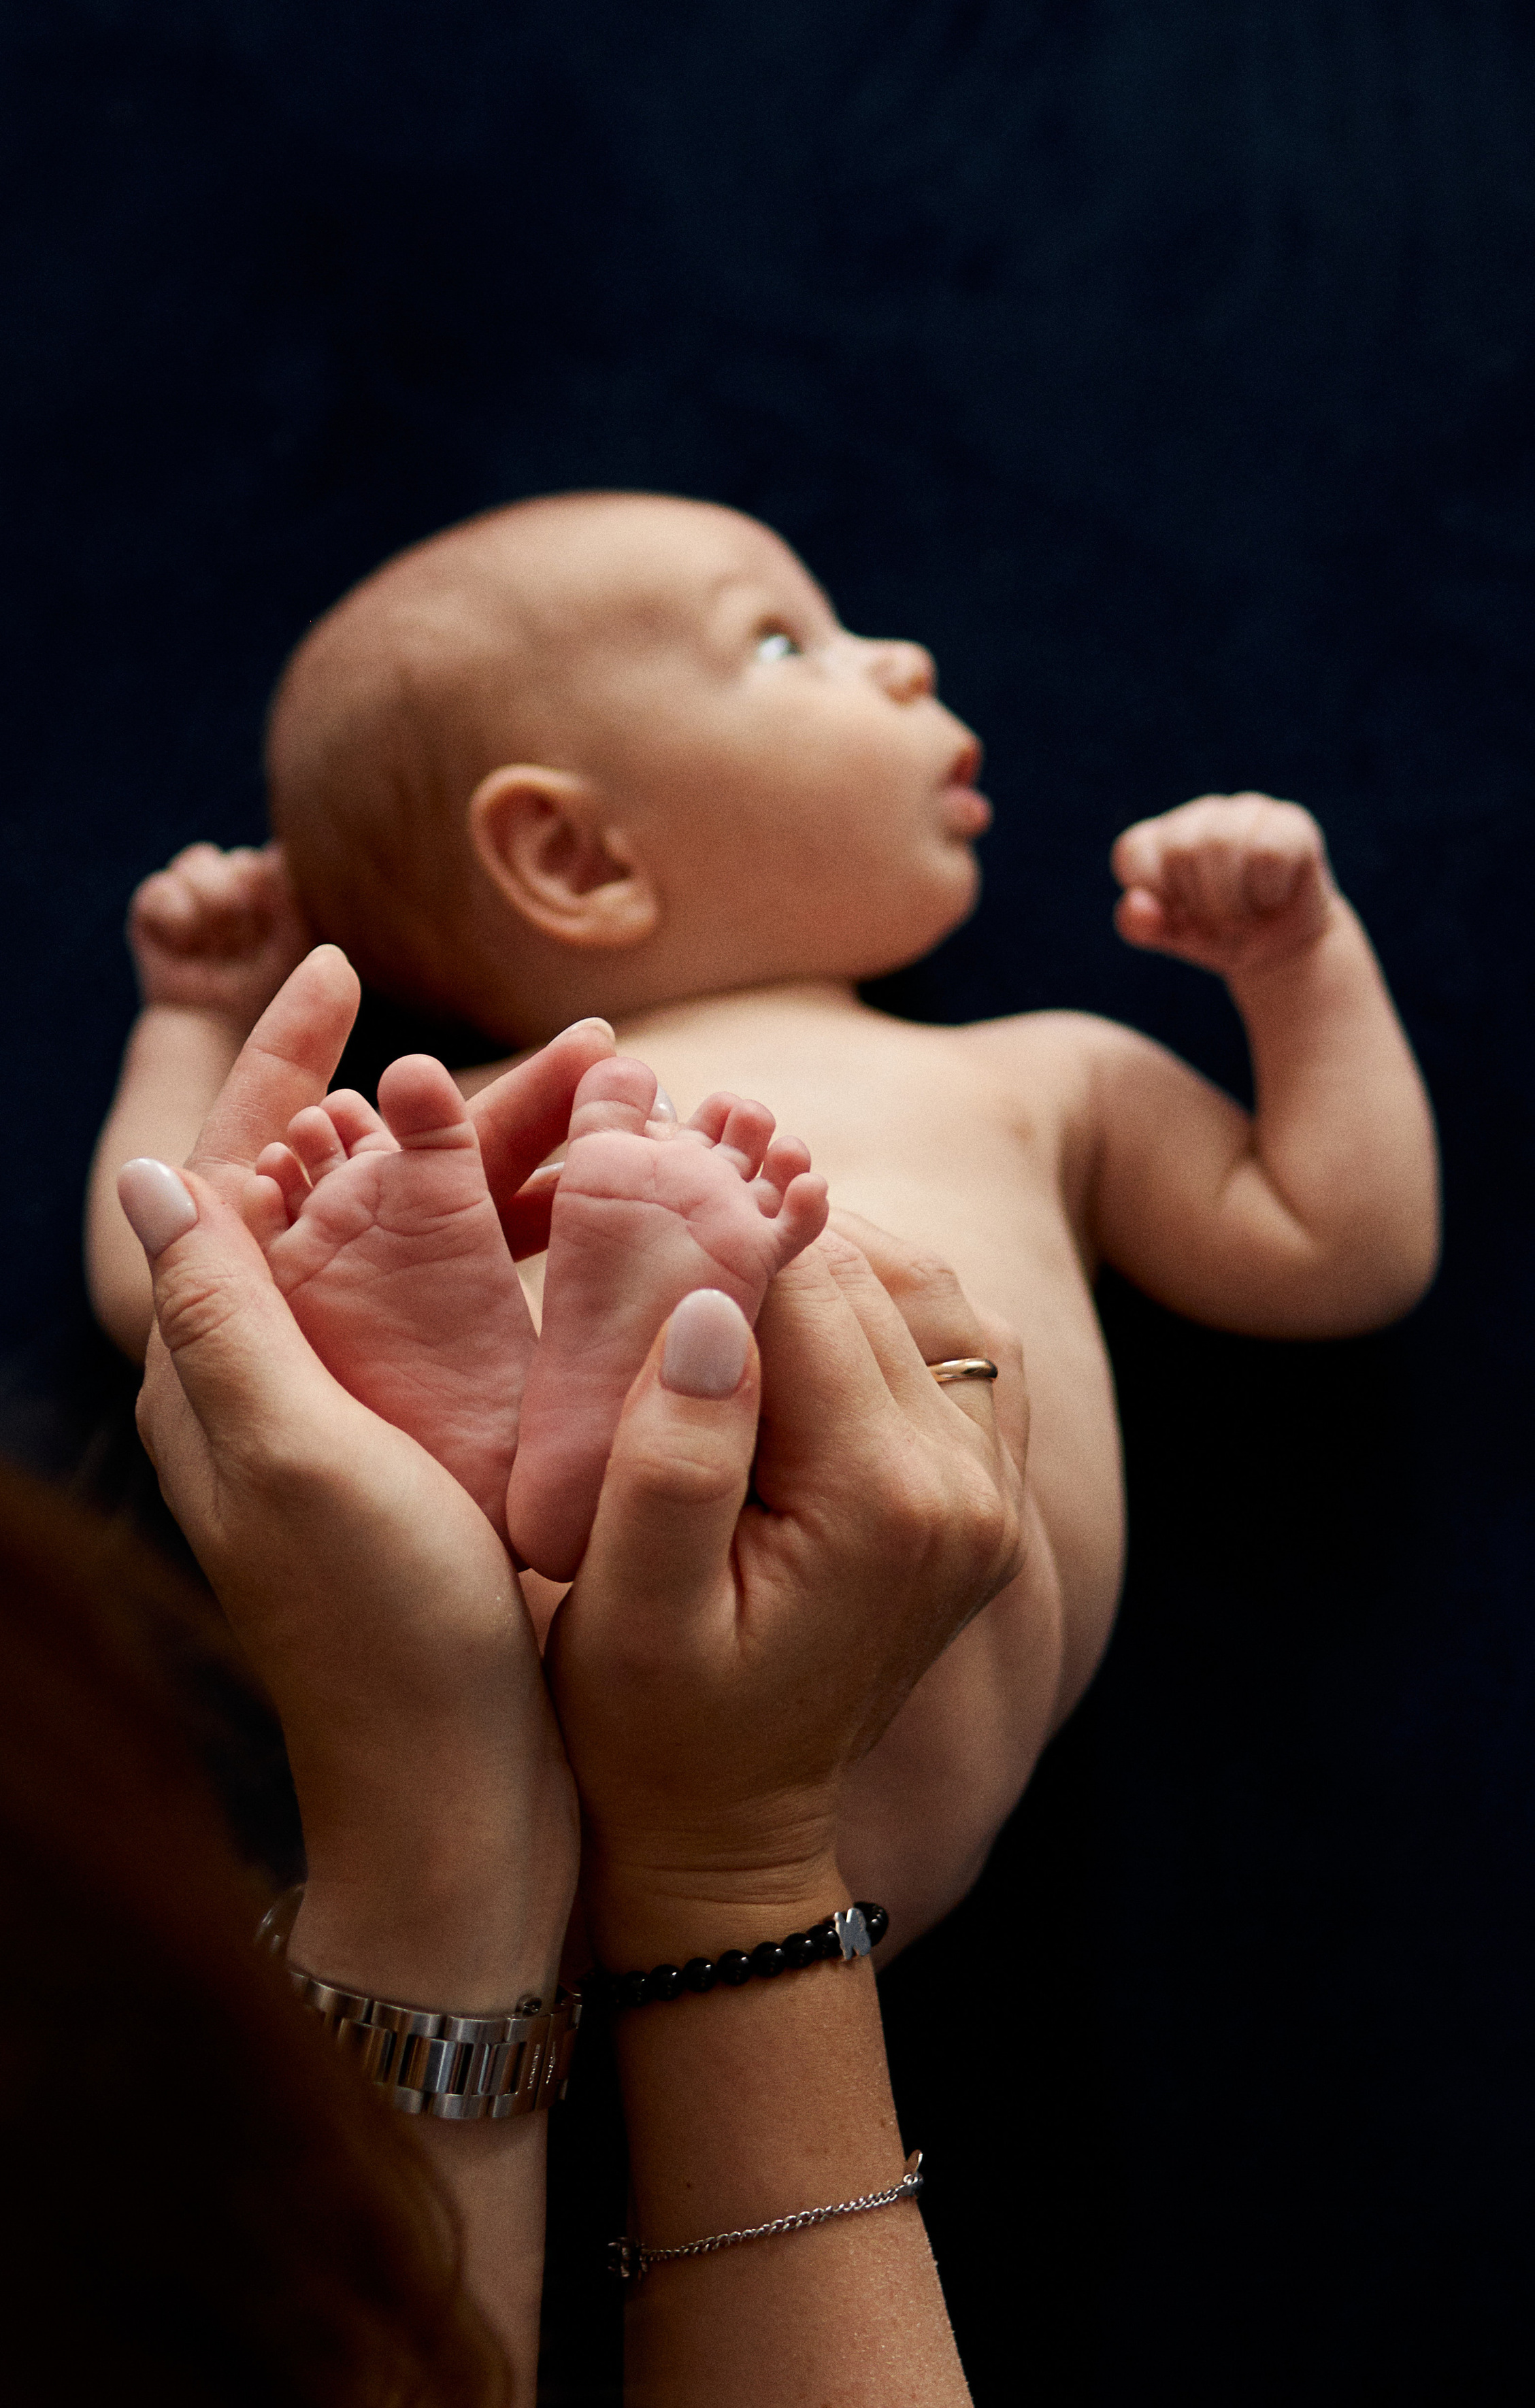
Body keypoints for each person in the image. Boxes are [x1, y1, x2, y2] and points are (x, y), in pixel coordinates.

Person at [0, 956, 1038, 2408]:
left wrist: (435, 1805)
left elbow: (135, 1250)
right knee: (975, 1589)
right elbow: (1321, 1237)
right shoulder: (1046, 1061)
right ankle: (607, 1459)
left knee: (726, 1572)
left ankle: (525, 1485)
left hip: (539, 1676)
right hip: (833, 1658)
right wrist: (732, 1861)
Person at [86, 490, 1441, 1945]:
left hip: (782, 1707)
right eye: (788, 643)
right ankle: (551, 1439)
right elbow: (174, 1291)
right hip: (744, 1725)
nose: (906, 658)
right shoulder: (472, 1144)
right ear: (578, 858)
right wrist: (1295, 953)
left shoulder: (1029, 1074)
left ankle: (546, 1439)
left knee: (317, 1276)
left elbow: (1337, 1248)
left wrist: (1298, 966)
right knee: (302, 1282)